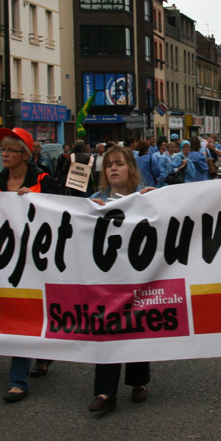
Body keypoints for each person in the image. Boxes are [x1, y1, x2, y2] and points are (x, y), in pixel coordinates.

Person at [0, 126, 58, 402]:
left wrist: (36, 202)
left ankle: (26, 371)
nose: (4, 154)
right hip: (6, 259)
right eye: (2, 149)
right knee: (20, 313)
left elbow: (60, 214)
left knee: (32, 311)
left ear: (24, 155)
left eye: (10, 149)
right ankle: (23, 374)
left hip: (38, 257)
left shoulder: (42, 179)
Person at [86, 146, 155, 414]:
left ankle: (139, 382)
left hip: (137, 275)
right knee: (107, 328)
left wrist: (156, 200)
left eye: (120, 164)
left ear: (131, 170)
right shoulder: (94, 199)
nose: (114, 168)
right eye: (109, 165)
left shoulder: (146, 197)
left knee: (137, 326)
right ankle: (104, 392)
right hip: (106, 277)